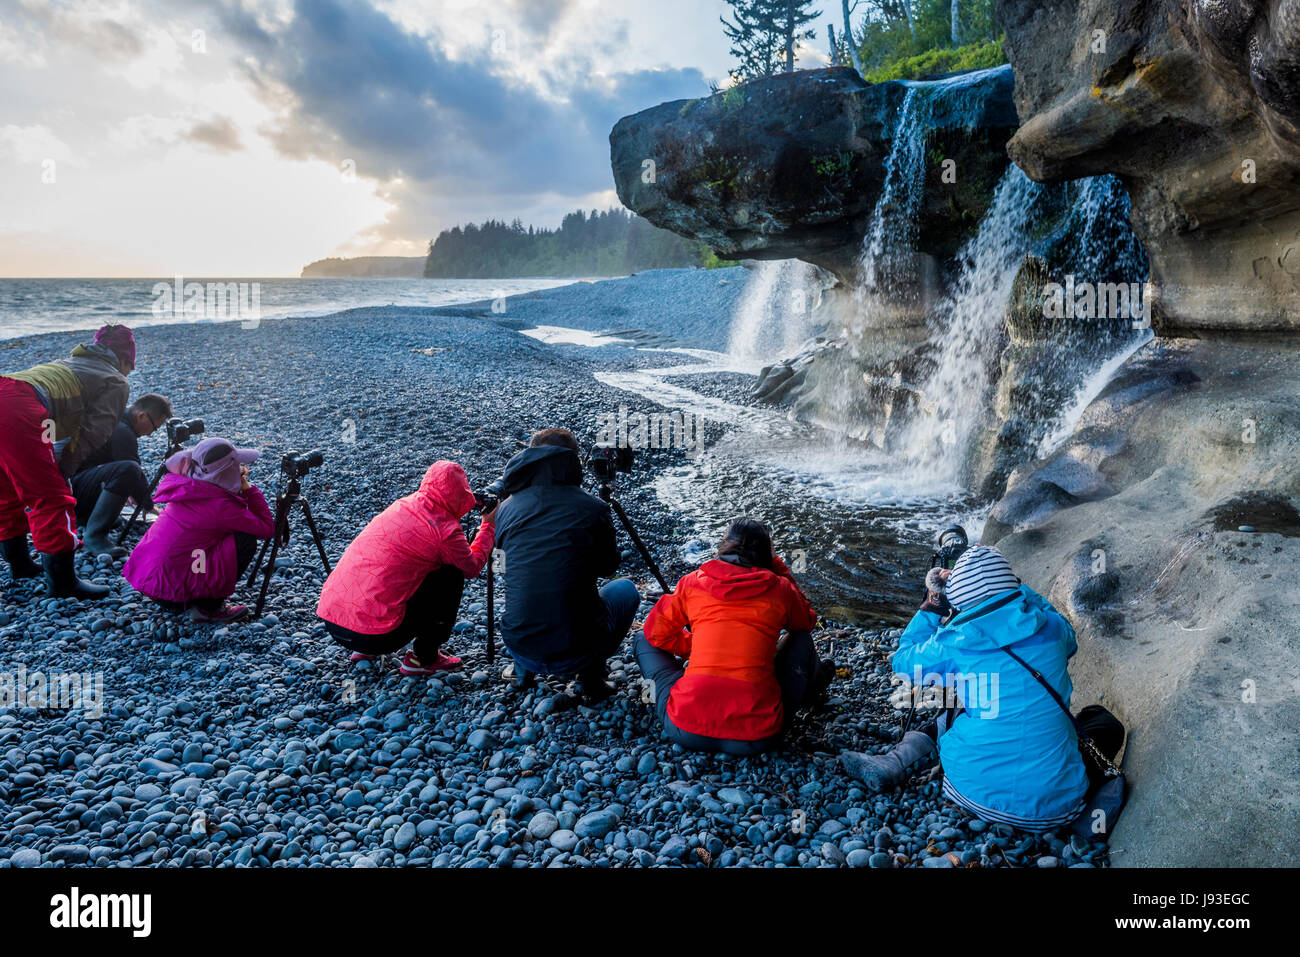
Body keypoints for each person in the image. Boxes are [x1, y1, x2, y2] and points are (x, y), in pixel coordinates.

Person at [840, 545, 1122, 833]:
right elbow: (1068, 639)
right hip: (1054, 813)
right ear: (1013, 587)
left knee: (964, 700)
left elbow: (902, 663)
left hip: (967, 790)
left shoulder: (951, 643)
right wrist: (1019, 589)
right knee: (1102, 723)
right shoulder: (1051, 628)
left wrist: (932, 604)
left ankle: (896, 759)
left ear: (960, 599)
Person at [634, 518, 833, 755]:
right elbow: (806, 623)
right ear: (766, 556)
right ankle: (812, 691)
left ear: (723, 546)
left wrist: (697, 649)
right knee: (800, 639)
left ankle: (656, 696)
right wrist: (778, 566)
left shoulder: (692, 582)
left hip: (685, 728)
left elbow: (656, 633)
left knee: (643, 639)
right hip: (759, 736)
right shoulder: (781, 589)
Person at [492, 428, 640, 700]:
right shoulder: (592, 508)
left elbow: (503, 563)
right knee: (626, 590)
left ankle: (522, 671)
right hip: (577, 649)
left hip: (520, 640)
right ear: (573, 461)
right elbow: (607, 568)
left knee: (527, 585)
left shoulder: (506, 508)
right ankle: (591, 678)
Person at [316, 461, 495, 676]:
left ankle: (362, 649)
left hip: (334, 622)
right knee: (451, 574)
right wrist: (488, 526)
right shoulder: (444, 529)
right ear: (461, 493)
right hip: (377, 637)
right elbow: (472, 567)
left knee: (384, 566)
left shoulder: (402, 505)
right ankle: (423, 658)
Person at [0, 324, 135, 599]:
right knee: (51, 497)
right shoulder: (115, 379)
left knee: (6, 491)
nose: (128, 373)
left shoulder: (71, 362)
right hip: (16, 406)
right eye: (129, 367)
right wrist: (64, 470)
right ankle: (63, 584)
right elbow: (95, 432)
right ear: (123, 359)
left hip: (6, 386)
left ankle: (20, 565)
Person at [122, 437, 273, 622]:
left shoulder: (187, 486)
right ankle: (207, 608)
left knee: (204, 542)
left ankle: (193, 592)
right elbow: (266, 529)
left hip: (151, 583)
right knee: (244, 539)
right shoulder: (221, 506)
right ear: (226, 473)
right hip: (171, 593)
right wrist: (249, 490)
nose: (241, 470)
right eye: (238, 466)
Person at [71, 393, 172, 557]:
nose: (150, 434)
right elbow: (133, 471)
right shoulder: (122, 430)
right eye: (154, 427)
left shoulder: (115, 418)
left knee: (124, 471)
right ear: (142, 415)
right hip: (72, 489)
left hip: (73, 485)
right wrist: (147, 505)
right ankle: (95, 536)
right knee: (129, 469)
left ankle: (88, 517)